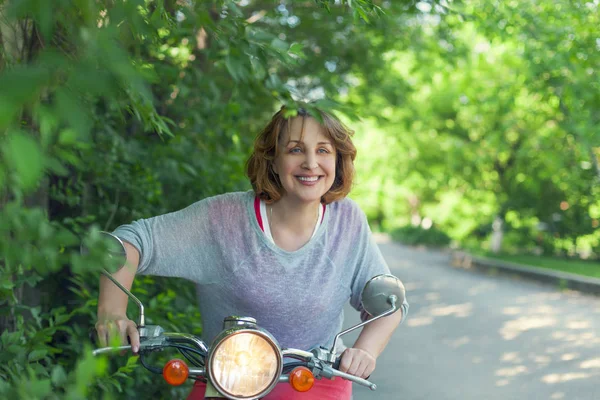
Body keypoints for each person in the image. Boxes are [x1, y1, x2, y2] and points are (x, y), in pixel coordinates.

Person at [95, 106, 409, 399]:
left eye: (323, 150)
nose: (311, 163)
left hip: (318, 382)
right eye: (295, 149)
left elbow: (389, 303)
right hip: (227, 382)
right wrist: (112, 311)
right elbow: (130, 241)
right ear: (272, 159)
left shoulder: (348, 222)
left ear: (338, 161)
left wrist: (364, 351)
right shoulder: (222, 219)